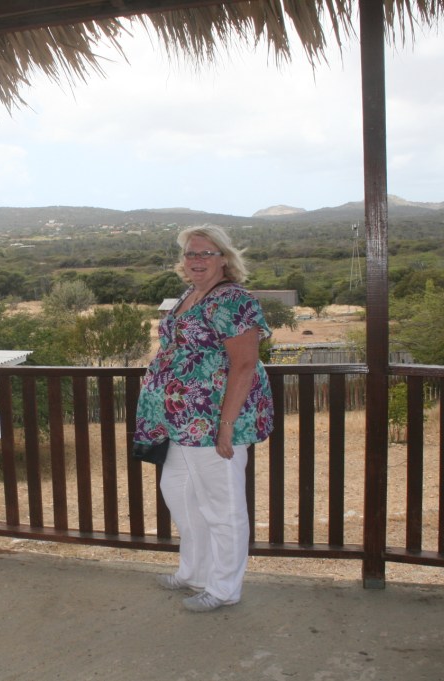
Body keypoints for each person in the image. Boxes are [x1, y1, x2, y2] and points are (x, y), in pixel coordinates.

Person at [134, 224, 274, 612]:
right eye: (190, 253)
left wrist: (225, 427)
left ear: (224, 259)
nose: (196, 260)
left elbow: (244, 365)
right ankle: (194, 573)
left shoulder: (234, 300)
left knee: (222, 507)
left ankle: (224, 588)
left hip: (213, 422)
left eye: (205, 253)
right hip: (179, 423)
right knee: (180, 495)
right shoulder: (191, 294)